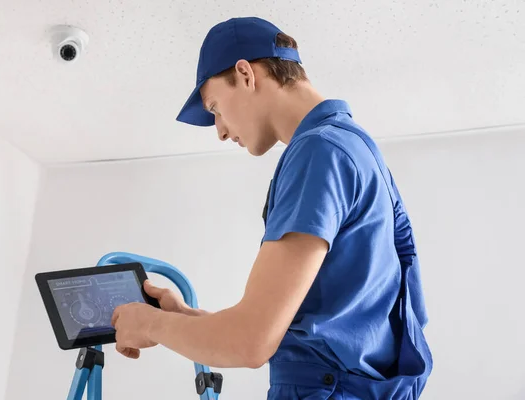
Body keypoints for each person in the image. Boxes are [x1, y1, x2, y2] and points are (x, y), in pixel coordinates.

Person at [111, 16, 433, 399]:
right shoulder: (352, 146)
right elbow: (299, 333)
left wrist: (149, 324)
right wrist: (183, 319)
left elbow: (251, 342)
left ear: (246, 74)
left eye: (215, 107)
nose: (220, 130)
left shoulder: (319, 152)